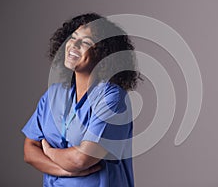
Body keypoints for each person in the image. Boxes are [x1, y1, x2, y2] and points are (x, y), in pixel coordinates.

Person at [22, 13, 140, 187]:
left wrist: (48, 152)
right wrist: (65, 171)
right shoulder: (54, 94)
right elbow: (29, 152)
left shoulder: (112, 99)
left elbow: (81, 160)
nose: (73, 45)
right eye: (73, 38)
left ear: (103, 53)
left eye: (85, 42)